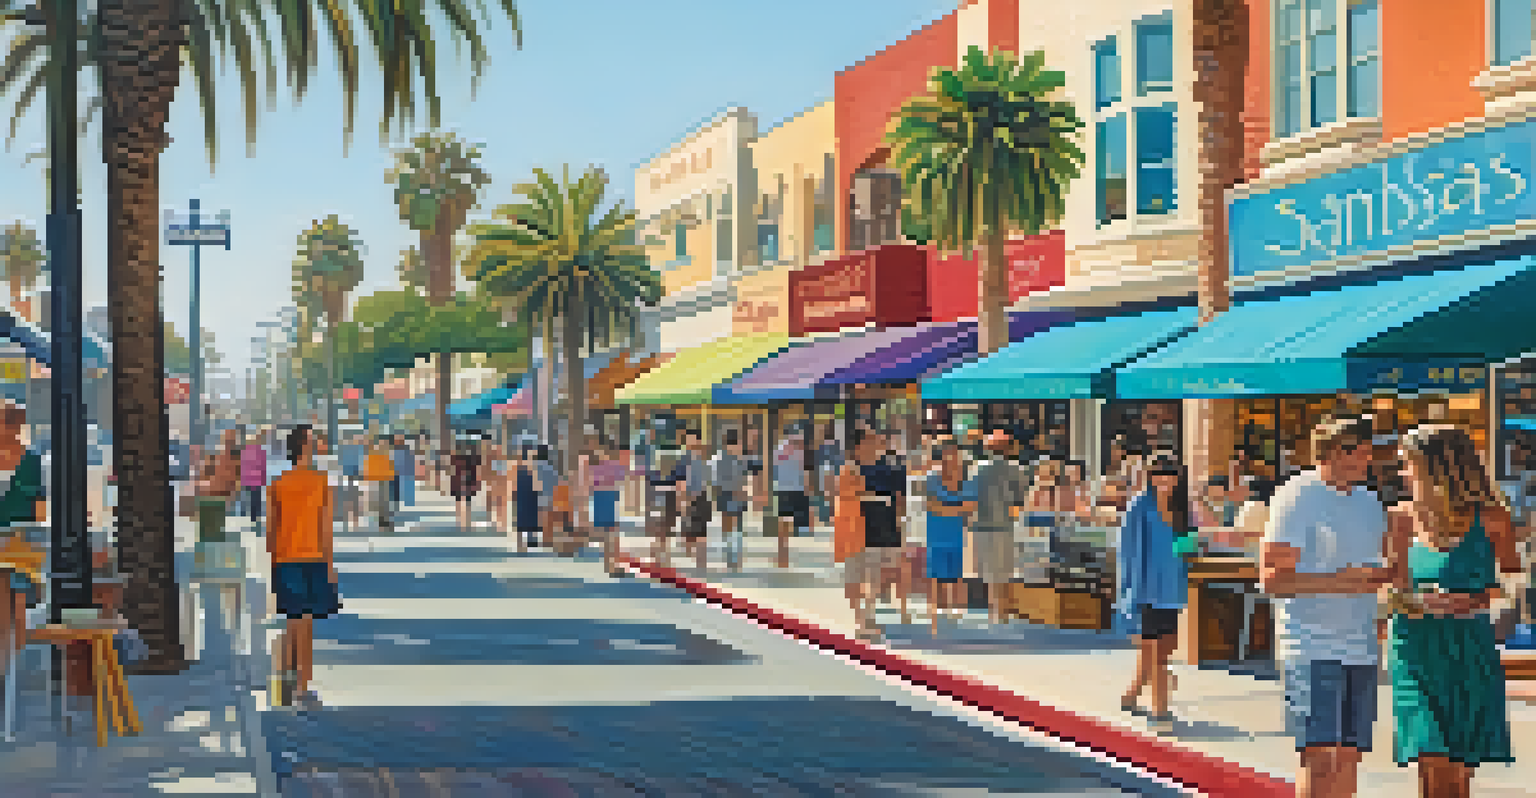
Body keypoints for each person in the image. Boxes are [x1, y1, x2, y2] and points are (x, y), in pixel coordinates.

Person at [1261, 414, 1395, 798]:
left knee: (1350, 757)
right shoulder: (1296, 495)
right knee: (1319, 758)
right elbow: (1271, 577)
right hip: (1310, 646)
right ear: (1334, 452)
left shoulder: (1370, 502)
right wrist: (1338, 581)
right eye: (1360, 453)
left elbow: (1377, 570)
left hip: (1363, 648)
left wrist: (1387, 580)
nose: (1367, 461)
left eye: (1369, 453)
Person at [1385, 425, 1520, 797]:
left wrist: (1470, 601)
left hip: (1469, 651)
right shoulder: (1399, 519)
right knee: (1431, 757)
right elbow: (1391, 587)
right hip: (1414, 650)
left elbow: (1513, 585)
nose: (1402, 473)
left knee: (1458, 772)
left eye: (1407, 464)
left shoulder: (1492, 519)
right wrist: (1408, 601)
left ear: (1435, 467)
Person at [1117, 456, 1196, 732]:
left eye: (1170, 474)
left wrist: (1193, 548)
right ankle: (1160, 710)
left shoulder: (1183, 507)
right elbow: (1126, 548)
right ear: (1150, 476)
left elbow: (1187, 546)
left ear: (1178, 477)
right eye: (1158, 474)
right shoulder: (1140, 505)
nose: (1164, 479)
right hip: (1146, 588)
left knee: (1165, 646)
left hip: (1172, 587)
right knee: (1157, 652)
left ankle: (1131, 694)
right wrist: (1129, 589)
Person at [266, 425, 340, 710]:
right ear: (305, 446)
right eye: (313, 439)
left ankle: (285, 685)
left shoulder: (278, 482)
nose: (319, 442)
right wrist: (330, 566)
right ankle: (301, 686)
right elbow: (325, 528)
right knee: (305, 623)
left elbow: (271, 529)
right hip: (313, 557)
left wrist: (273, 562)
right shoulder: (321, 482)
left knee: (293, 621)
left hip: (286, 558)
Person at [845, 429, 908, 640]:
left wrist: (900, 524)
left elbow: (900, 498)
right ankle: (860, 619)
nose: (876, 443)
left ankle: (869, 614)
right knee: (856, 575)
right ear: (859, 446)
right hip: (856, 528)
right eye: (871, 440)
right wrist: (872, 497)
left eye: (877, 440)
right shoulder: (851, 469)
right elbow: (843, 495)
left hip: (884, 527)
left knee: (877, 572)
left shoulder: (891, 468)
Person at [0, 400, 45, 686]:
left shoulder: (30, 461)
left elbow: (39, 512)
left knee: (14, 600)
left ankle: (10, 668)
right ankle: (8, 668)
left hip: (19, 547)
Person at [973, 430, 1030, 624]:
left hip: (982, 525)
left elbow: (971, 496)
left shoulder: (977, 468)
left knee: (988, 572)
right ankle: (1003, 613)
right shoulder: (1016, 470)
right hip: (1005, 525)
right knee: (1004, 571)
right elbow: (1020, 499)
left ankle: (992, 612)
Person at [925, 442, 977, 636]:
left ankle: (957, 615)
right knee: (937, 578)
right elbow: (931, 506)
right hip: (936, 536)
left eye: (955, 455)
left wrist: (945, 508)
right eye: (948, 455)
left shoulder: (968, 480)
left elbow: (971, 508)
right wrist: (957, 509)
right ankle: (938, 615)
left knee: (957, 576)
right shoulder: (932, 479)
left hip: (957, 536)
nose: (952, 459)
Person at [712, 430, 751, 572]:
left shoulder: (740, 459)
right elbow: (718, 481)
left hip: (737, 495)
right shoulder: (720, 459)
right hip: (727, 494)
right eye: (738, 443)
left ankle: (736, 557)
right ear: (730, 444)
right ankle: (730, 557)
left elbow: (744, 477)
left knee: (737, 528)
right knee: (729, 527)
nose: (740, 446)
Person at [587, 441, 628, 575]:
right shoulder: (611, 466)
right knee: (610, 534)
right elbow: (624, 477)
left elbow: (591, 485)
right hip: (606, 499)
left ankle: (610, 564)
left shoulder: (596, 467)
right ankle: (611, 565)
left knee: (609, 534)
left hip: (603, 499)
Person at [773, 428, 811, 569]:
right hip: (794, 490)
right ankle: (784, 555)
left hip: (784, 490)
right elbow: (805, 472)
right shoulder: (800, 451)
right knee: (789, 524)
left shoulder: (780, 450)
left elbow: (774, 469)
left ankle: (783, 555)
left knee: (784, 522)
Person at [675, 430, 713, 571]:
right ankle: (693, 560)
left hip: (701, 496)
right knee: (690, 529)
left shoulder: (703, 459)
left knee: (701, 530)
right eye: (688, 440)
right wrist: (682, 500)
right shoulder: (683, 459)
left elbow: (708, 480)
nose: (691, 443)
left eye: (693, 440)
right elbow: (680, 481)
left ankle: (701, 563)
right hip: (689, 496)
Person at [363, 437, 396, 532]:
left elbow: (390, 467)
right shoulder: (373, 454)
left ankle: (384, 522)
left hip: (383, 480)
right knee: (379, 502)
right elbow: (368, 467)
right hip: (376, 480)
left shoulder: (385, 454)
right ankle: (381, 521)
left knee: (384, 502)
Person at [449, 439, 481, 532]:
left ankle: (460, 520)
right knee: (466, 502)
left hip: (459, 481)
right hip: (467, 481)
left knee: (460, 501)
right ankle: (466, 521)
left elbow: (452, 469)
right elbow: (476, 470)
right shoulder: (472, 458)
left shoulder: (456, 458)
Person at [513, 447, 540, 551]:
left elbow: (538, 486)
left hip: (530, 497)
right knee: (524, 520)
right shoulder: (521, 470)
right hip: (524, 497)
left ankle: (529, 540)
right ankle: (522, 543)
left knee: (530, 519)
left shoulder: (534, 470)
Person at [240, 432, 268, 529]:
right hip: (257, 480)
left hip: (247, 479)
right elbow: (263, 468)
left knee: (245, 499)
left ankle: (244, 517)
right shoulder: (261, 452)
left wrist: (242, 478)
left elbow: (242, 466)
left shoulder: (244, 451)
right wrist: (264, 480)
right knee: (255, 500)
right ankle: (255, 519)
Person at [391, 434, 415, 511]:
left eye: (399, 438)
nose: (397, 440)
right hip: (396, 472)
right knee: (395, 490)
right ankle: (395, 504)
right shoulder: (393, 450)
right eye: (396, 438)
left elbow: (410, 461)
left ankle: (409, 505)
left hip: (406, 472)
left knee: (407, 489)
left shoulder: (407, 450)